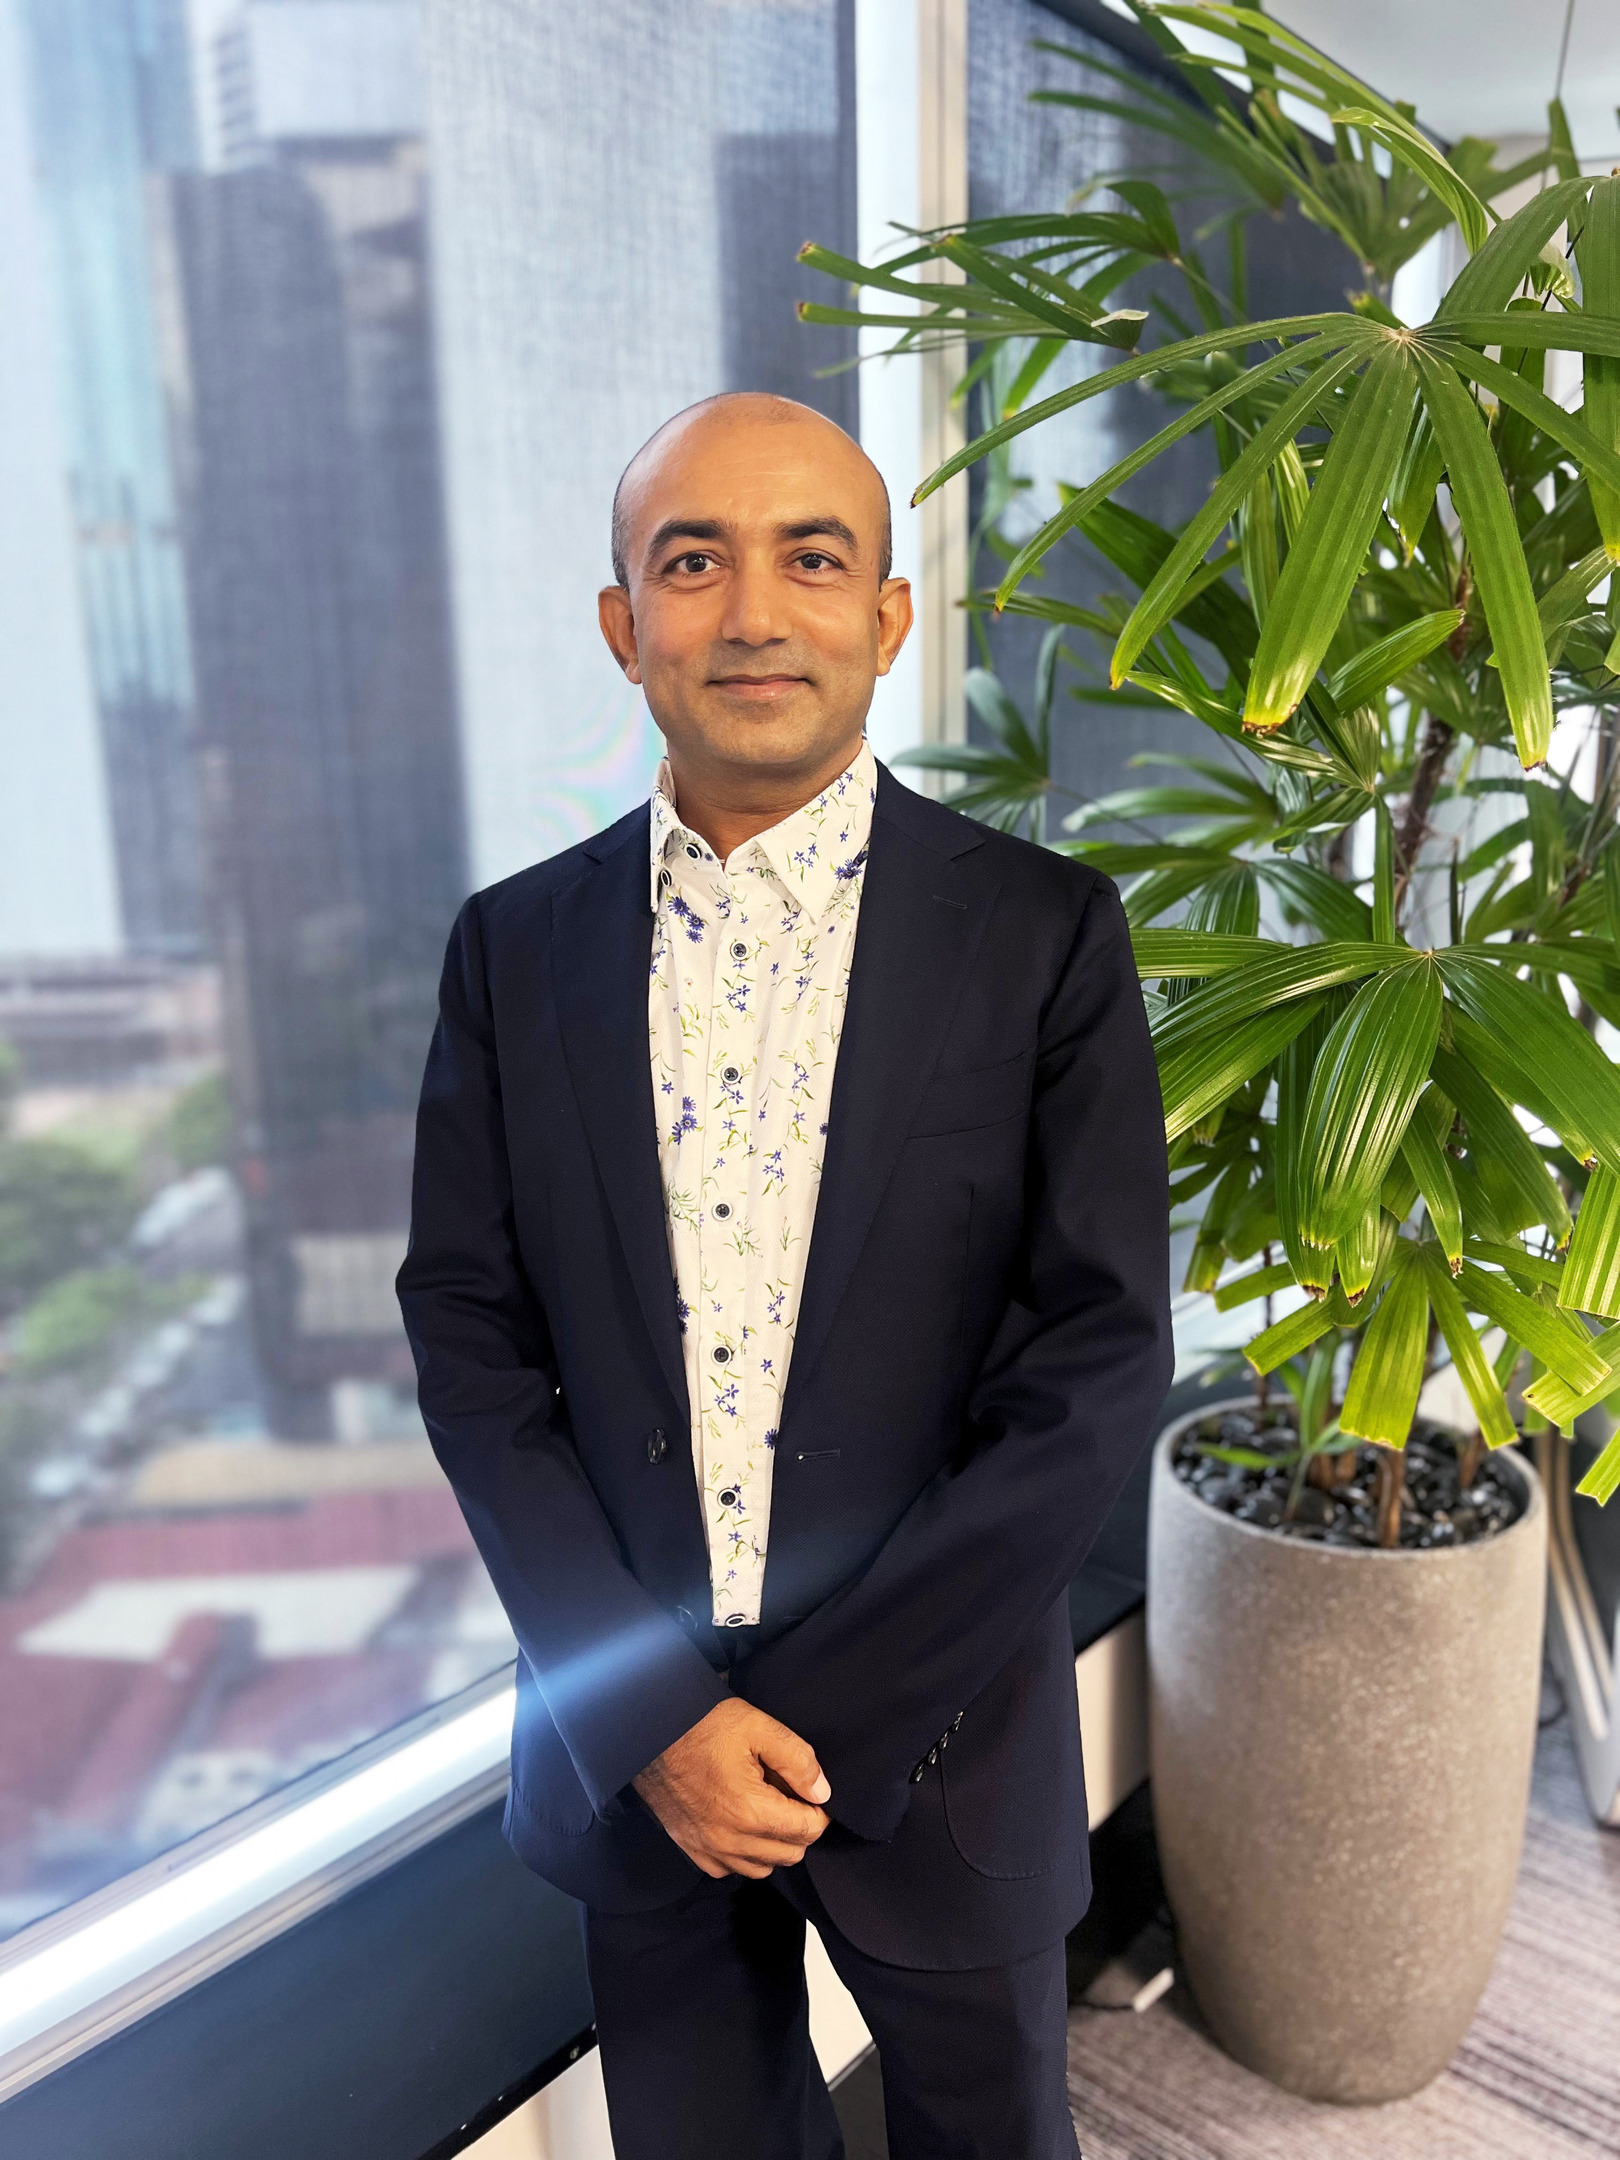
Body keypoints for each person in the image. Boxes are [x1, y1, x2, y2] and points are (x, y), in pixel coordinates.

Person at [397, 392, 1172, 2160]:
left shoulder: (1046, 938)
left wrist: (806, 1723)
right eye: (693, 562)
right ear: (626, 627)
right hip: (628, 1743)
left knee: (992, 2136)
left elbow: (1095, 1365)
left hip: (941, 1730)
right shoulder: (510, 952)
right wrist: (656, 1716)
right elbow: (471, 1336)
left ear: (887, 615)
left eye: (811, 557)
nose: (753, 611)